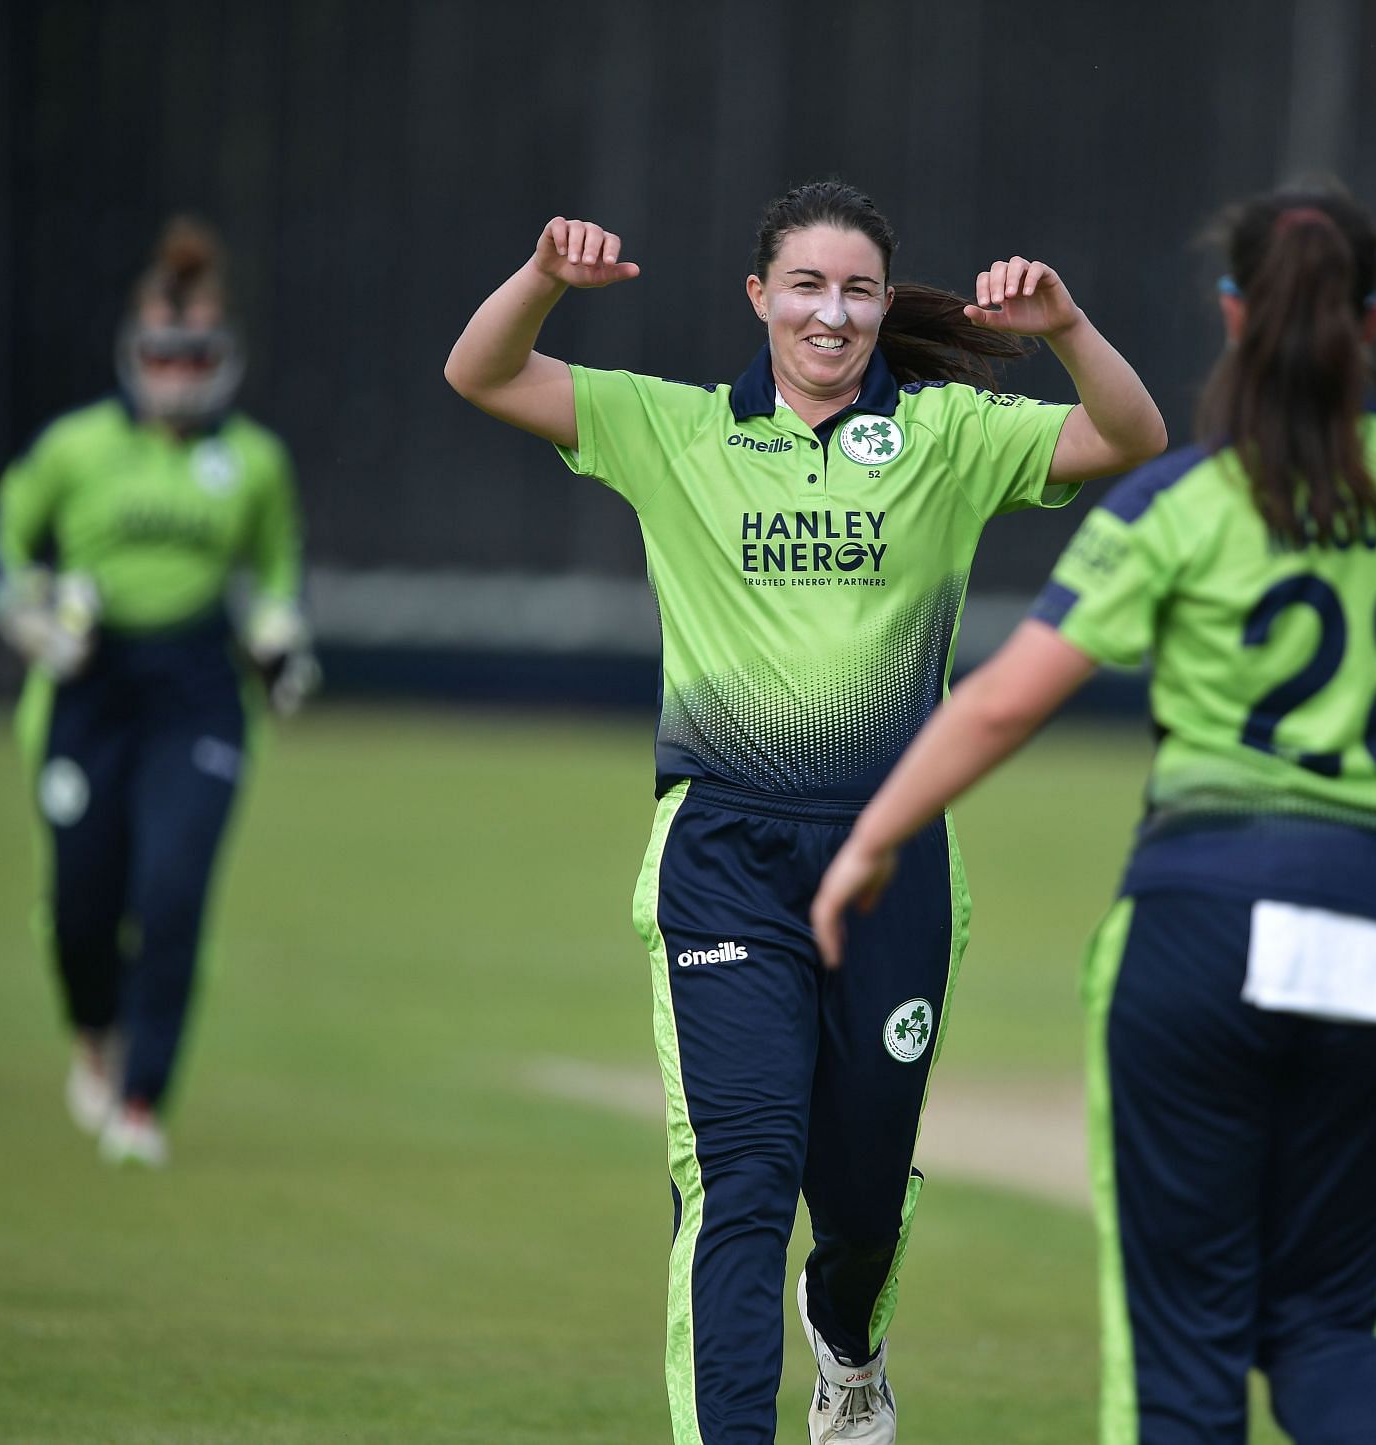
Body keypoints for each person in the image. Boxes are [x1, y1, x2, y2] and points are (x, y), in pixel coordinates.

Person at [811, 181, 1376, 1445]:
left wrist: (871, 840)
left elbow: (998, 707)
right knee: (1330, 1322)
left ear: (1229, 314)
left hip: (1201, 929)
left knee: (1186, 1348)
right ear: (1373, 322)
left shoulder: (1191, 502)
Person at [444, 179, 1165, 1443]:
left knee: (865, 1193)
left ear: (887, 304)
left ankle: (850, 1340)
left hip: (894, 860)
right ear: (758, 296)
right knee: (739, 1179)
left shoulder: (948, 434)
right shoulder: (674, 428)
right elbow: (482, 370)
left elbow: (1130, 435)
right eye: (808, 286)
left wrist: (1063, 326)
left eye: (859, 289)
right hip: (722, 848)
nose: (832, 315)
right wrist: (546, 275)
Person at [0, 216, 318, 1169]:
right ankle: (95, 1033)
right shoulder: (77, 448)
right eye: (164, 355)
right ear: (138, 354)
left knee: (171, 892)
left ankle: (142, 1100)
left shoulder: (252, 461)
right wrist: (25, 609)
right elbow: (1, 542)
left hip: (197, 692)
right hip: (89, 688)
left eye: (195, 356)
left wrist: (278, 633)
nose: (178, 374)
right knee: (84, 902)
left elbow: (277, 569)